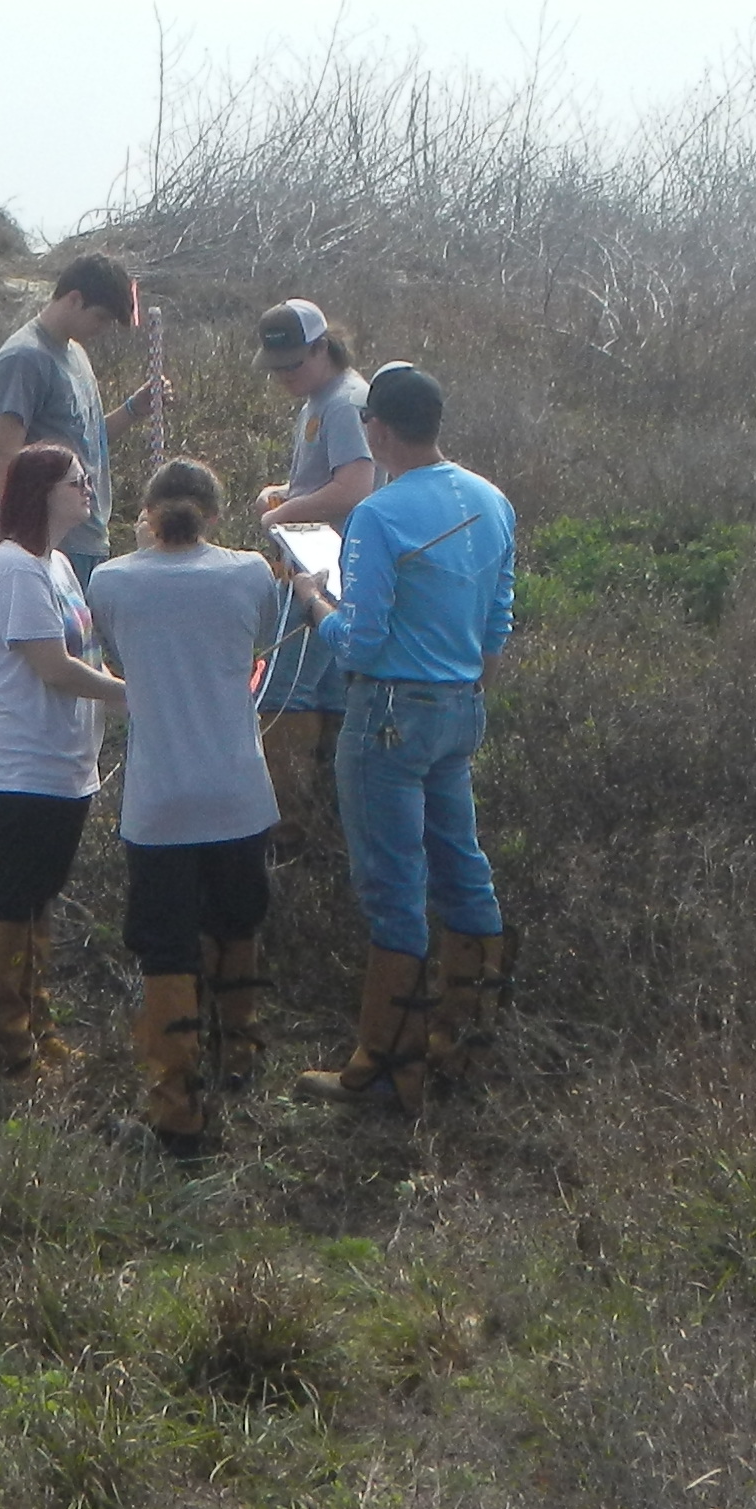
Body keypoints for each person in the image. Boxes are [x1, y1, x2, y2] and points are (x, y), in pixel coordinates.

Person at [285, 361, 516, 1110]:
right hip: (459, 708)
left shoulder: (381, 516)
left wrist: (316, 600)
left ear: (378, 431)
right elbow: (496, 625)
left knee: (393, 888)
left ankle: (385, 1067)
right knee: (463, 869)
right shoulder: (492, 500)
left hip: (386, 714)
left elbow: (359, 642)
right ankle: (465, 1043)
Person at [84, 455, 282, 1148]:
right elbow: (256, 636)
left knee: (167, 949)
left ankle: (176, 1109)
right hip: (238, 793)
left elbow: (118, 653)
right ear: (217, 515)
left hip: (159, 800)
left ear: (147, 513)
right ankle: (241, 1062)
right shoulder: (251, 572)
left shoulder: (110, 579)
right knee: (237, 924)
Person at [0, 442, 123, 1081]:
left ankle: (37, 1020)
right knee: (13, 895)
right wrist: (131, 698)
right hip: (20, 767)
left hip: (65, 766)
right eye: (76, 482)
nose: (88, 491)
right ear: (42, 491)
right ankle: (6, 1039)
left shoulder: (55, 565)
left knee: (40, 897)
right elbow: (53, 667)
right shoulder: (17, 570)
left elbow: (86, 653)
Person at [246, 299, 377, 846]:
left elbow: (355, 487)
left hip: (326, 570)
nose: (282, 377)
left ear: (323, 347)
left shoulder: (346, 403)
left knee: (284, 693)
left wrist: (282, 513)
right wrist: (289, 493)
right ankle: (326, 825)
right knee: (326, 696)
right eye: (275, 367)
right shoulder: (319, 401)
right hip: (321, 564)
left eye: (293, 365)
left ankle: (290, 829)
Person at [0, 253, 155, 576]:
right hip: (47, 545)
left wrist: (134, 409)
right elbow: (7, 455)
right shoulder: (23, 358)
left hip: (88, 539)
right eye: (101, 318)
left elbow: (87, 442)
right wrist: (29, 544)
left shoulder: (76, 353)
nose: (103, 329)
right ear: (75, 299)